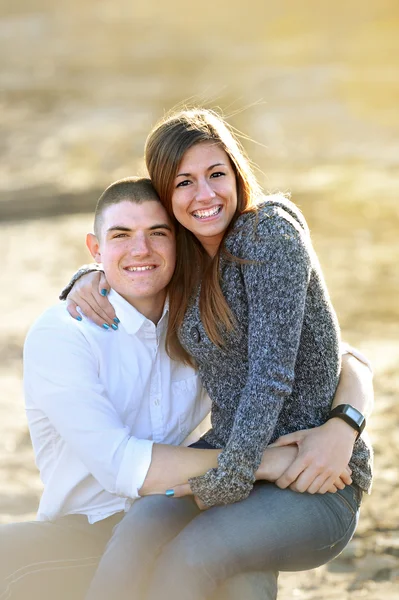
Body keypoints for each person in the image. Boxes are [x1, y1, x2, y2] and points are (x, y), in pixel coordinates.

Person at [62, 109, 373, 600]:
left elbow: (272, 374)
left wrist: (231, 476)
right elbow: (135, 260)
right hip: (237, 455)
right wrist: (89, 275)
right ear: (165, 196)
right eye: (184, 182)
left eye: (216, 175)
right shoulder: (187, 258)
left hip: (313, 474)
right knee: (143, 522)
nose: (204, 195)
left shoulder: (269, 233)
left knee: (197, 552)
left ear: (236, 173)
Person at [1, 177, 299, 600]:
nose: (141, 250)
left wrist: (347, 419)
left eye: (158, 233)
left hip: (185, 513)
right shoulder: (63, 334)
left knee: (244, 570)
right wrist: (260, 462)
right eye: (121, 235)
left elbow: (327, 355)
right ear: (95, 249)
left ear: (179, 241)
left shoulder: (207, 320)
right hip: (88, 531)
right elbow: (123, 465)